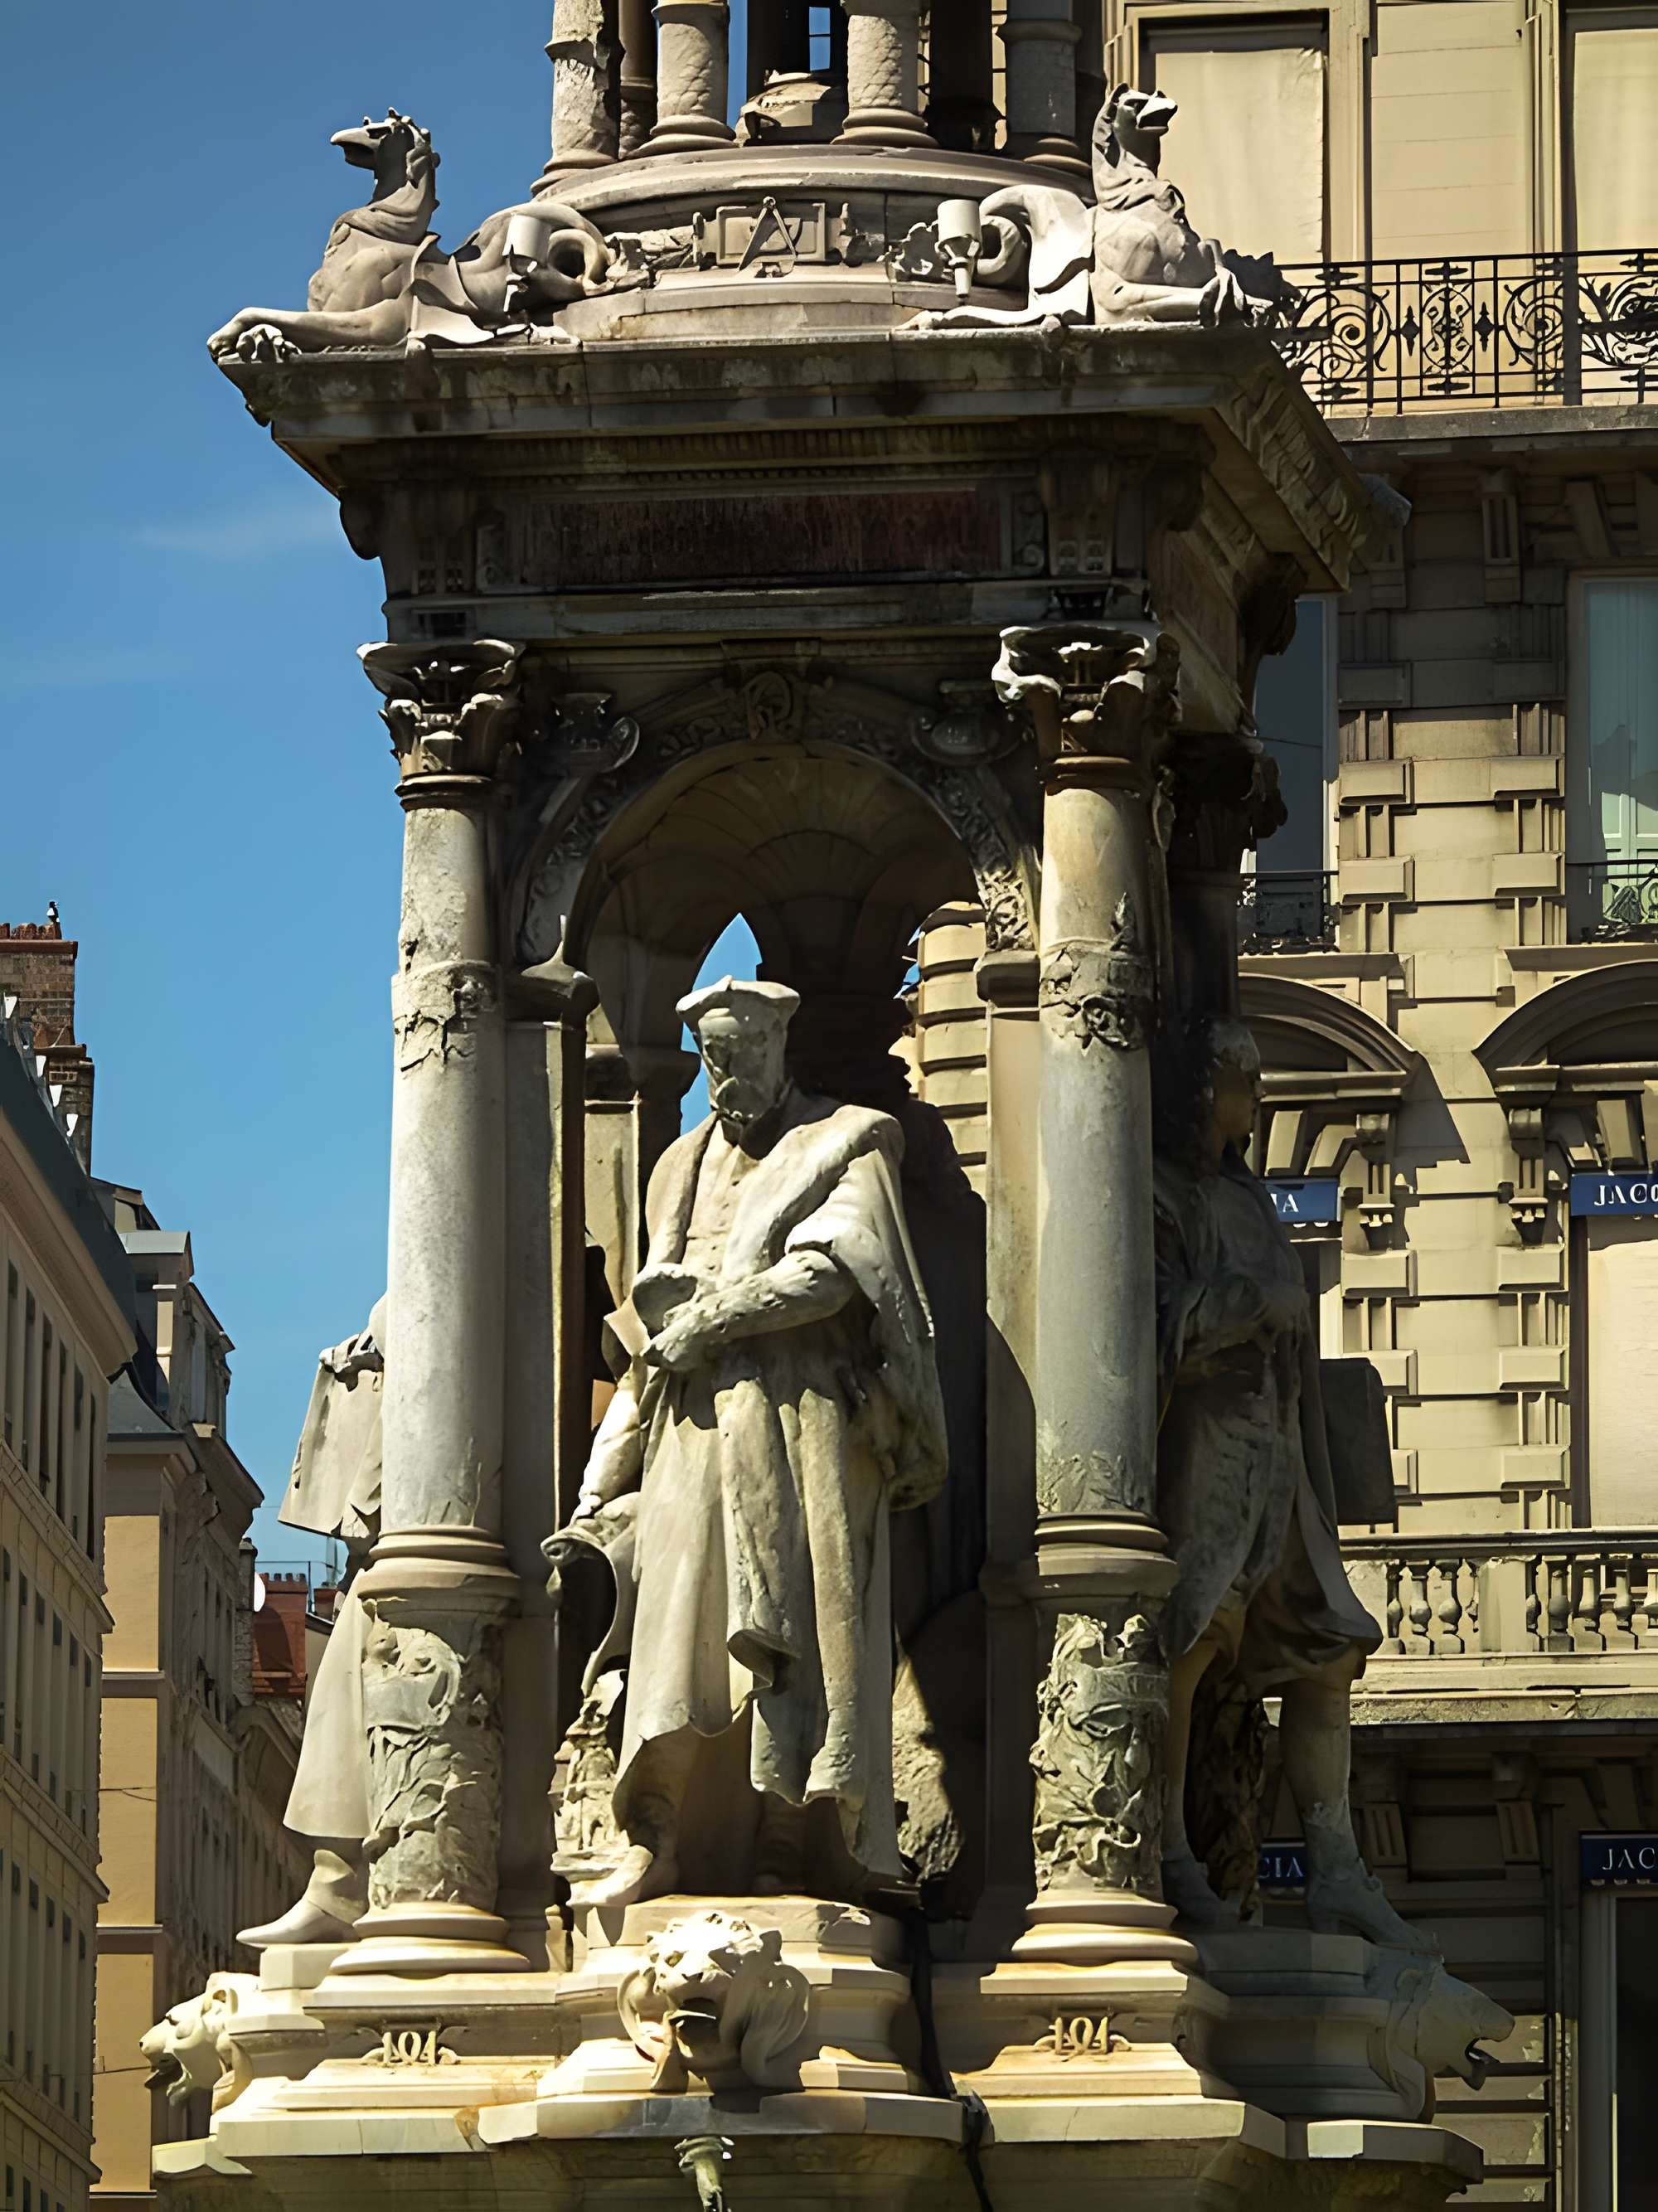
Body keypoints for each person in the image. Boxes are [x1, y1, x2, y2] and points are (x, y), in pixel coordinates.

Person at [558, 976, 948, 1908]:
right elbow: (653, 1339)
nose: (727, 1076)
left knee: (808, 1646)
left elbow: (837, 1269)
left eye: (745, 1055)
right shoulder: (674, 1166)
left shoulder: (847, 1142)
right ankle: (655, 1834)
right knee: (675, 1639)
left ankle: (792, 1842)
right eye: (712, 1060)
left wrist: (719, 1319)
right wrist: (597, 1482)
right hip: (690, 1429)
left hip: (808, 1421)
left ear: (782, 1044)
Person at [1153, 1017, 1431, 1951]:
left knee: (1325, 1651)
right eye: (1243, 1082)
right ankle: (1158, 1851)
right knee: (1184, 1643)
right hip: (1205, 1449)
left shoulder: (1252, 1198)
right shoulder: (1157, 1194)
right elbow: (1131, 1327)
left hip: (1278, 1453)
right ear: (1203, 1092)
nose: (1258, 1100)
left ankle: (1334, 1868)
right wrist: (1244, 1308)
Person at [237, 1302, 385, 1950]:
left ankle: (342, 1882)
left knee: (346, 1685)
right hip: (386, 1546)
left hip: (426, 1538)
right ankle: (337, 1881)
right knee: (333, 1695)